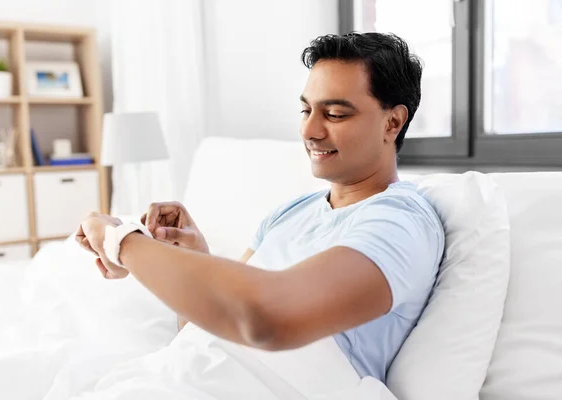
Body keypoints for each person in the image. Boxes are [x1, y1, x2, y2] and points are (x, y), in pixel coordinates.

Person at [75, 32, 445, 383]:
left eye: (333, 114)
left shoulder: (400, 221)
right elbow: (206, 333)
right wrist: (196, 255)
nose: (309, 130)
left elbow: (267, 319)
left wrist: (122, 241)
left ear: (392, 122)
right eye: (305, 111)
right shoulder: (291, 212)